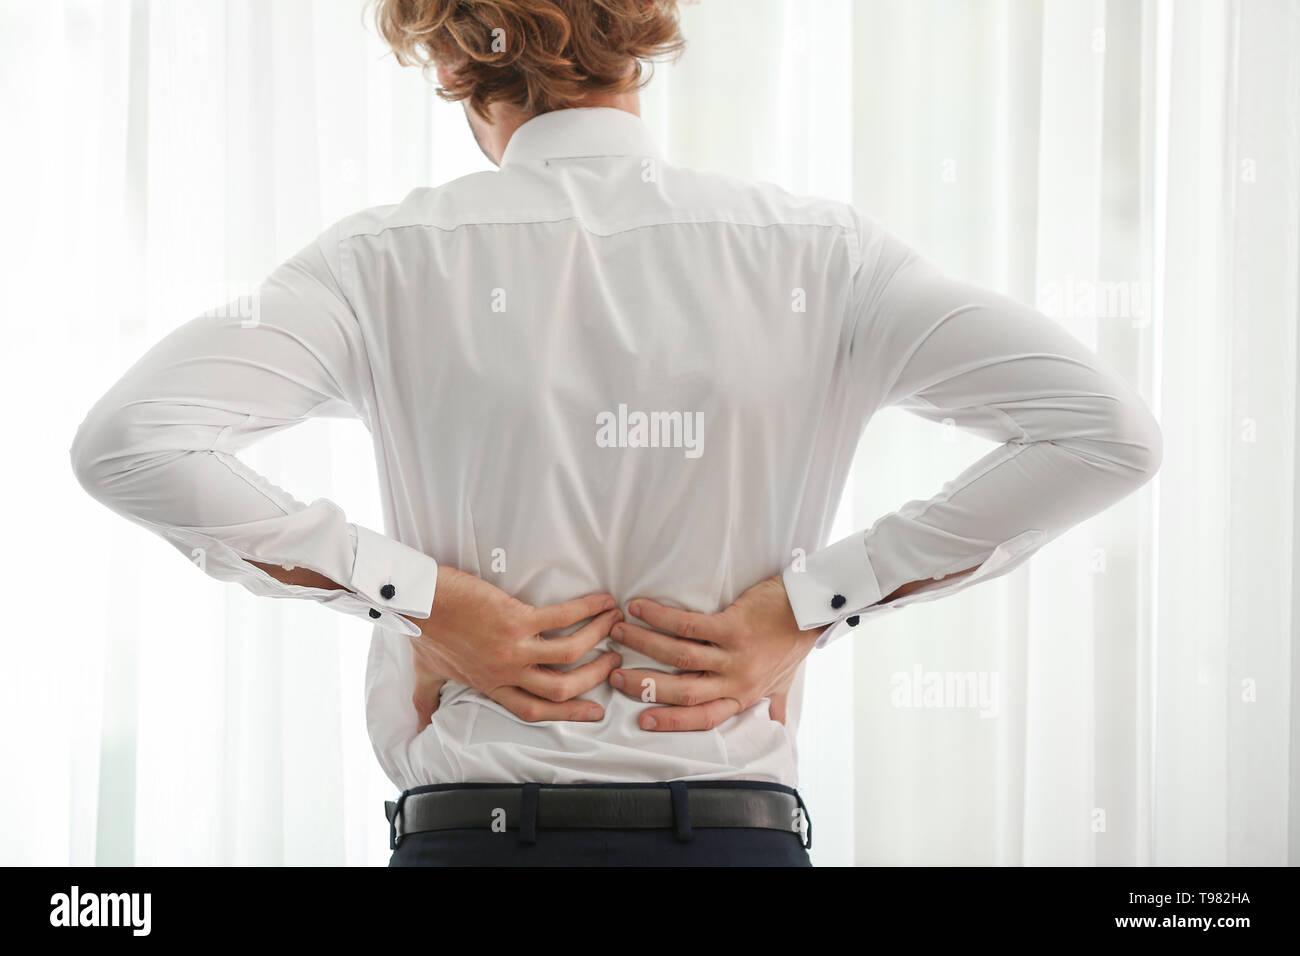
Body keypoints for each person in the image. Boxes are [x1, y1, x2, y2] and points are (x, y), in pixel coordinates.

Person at [69, 0, 1162, 867]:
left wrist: (422, 597)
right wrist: (814, 601)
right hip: (734, 838)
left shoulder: (382, 261)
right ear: (645, 40)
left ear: (450, 66)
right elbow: (1104, 433)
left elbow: (133, 442)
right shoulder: (818, 255)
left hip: (472, 838)